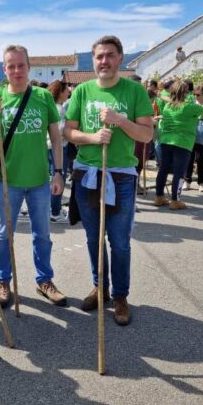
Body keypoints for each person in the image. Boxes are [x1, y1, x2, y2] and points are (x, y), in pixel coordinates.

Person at [64, 35, 154, 326]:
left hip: (121, 176)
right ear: (94, 60)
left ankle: (120, 296)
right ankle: (99, 287)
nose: (104, 61)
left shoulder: (135, 91)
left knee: (120, 241)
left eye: (110, 55)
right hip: (87, 173)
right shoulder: (83, 91)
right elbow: (69, 132)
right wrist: (93, 137)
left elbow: (146, 135)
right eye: (100, 56)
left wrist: (120, 121)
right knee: (94, 238)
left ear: (120, 58)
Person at [0, 45, 66, 308]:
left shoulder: (42, 96)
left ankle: (44, 280)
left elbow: (56, 137)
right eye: (11, 66)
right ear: (4, 69)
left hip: (39, 179)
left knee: (43, 235)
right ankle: (3, 281)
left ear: (29, 67)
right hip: (7, 181)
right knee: (3, 235)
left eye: (21, 65)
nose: (16, 70)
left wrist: (58, 172)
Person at [154, 80, 203, 210]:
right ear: (186, 93)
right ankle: (175, 200)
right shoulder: (189, 107)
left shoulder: (168, 106)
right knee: (179, 172)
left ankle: (159, 197)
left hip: (166, 140)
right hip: (183, 142)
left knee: (163, 169)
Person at [47, 79, 71, 222]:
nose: (68, 92)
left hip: (47, 147)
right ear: (60, 92)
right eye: (66, 90)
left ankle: (52, 209)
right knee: (58, 178)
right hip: (58, 147)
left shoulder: (50, 106)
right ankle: (55, 211)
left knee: (51, 178)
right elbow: (61, 130)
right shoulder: (60, 108)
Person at [184, 84, 203, 193]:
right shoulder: (192, 103)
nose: (196, 97)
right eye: (195, 94)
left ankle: (202, 182)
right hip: (191, 131)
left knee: (200, 159)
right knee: (189, 157)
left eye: (198, 95)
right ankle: (187, 180)